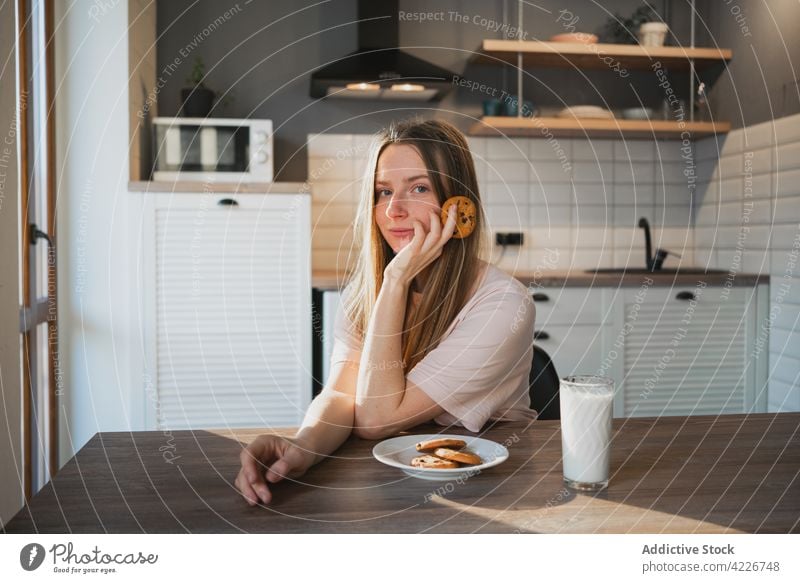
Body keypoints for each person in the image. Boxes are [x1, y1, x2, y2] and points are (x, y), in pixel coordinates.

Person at [235, 119, 536, 505]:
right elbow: (343, 394)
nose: (393, 209)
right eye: (383, 191)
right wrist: (302, 446)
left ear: (459, 207)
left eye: (419, 187)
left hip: (492, 487)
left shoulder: (502, 304)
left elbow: (376, 420)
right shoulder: (366, 294)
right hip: (391, 475)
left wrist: (395, 281)